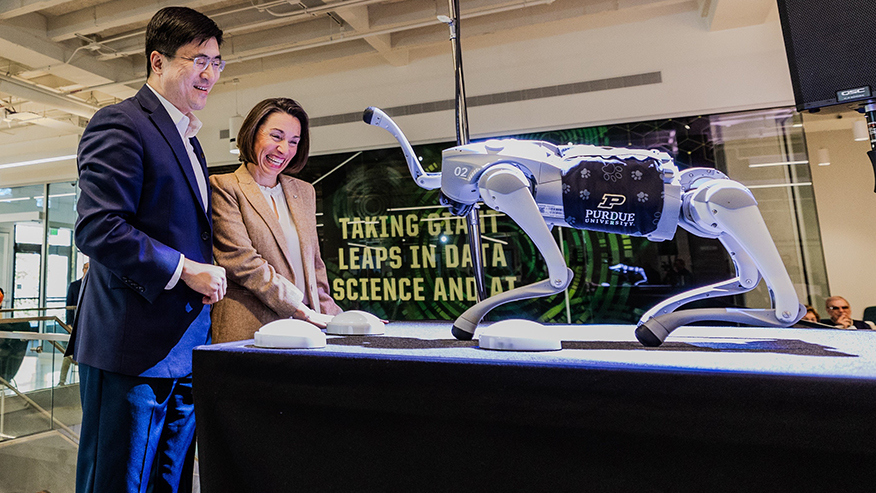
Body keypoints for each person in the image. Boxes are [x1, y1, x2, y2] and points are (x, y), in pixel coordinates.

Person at [69, 7, 227, 492]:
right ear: (157, 62)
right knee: (120, 484)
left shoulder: (190, 140)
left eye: (217, 62)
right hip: (130, 352)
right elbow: (98, 227)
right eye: (198, 59)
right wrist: (185, 269)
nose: (210, 73)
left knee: (170, 484)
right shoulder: (120, 123)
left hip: (184, 350)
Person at [210, 97, 342, 343]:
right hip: (249, 329)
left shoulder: (304, 191)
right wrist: (298, 308)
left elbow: (314, 265)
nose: (284, 149)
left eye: (294, 141)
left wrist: (339, 319)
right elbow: (242, 262)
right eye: (276, 137)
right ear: (252, 134)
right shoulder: (224, 187)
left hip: (307, 330)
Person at [59, 262, 88, 385]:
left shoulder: (93, 286)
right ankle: (62, 381)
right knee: (68, 353)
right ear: (82, 270)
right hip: (74, 325)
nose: (88, 270)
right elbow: (69, 305)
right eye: (86, 268)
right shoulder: (74, 285)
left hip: (86, 326)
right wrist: (69, 324)